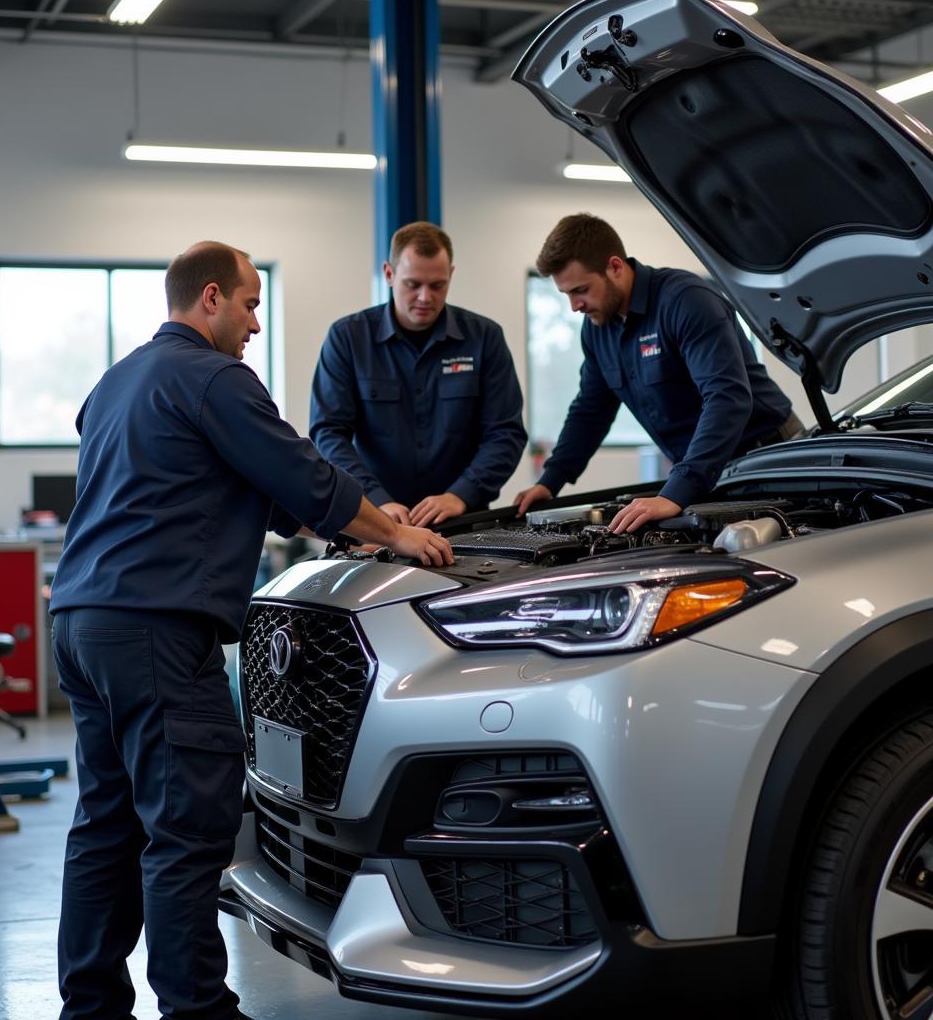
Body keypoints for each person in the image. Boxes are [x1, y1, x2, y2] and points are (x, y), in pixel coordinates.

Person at [48, 241, 453, 1020]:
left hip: (82, 624)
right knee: (188, 830)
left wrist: (359, 523)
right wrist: (395, 536)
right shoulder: (215, 377)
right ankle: (196, 1009)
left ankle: (89, 1007)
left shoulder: (117, 380)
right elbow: (298, 471)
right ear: (209, 298)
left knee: (104, 826)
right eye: (249, 304)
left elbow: (246, 488)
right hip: (155, 634)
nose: (255, 325)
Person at [514, 214, 801, 533]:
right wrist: (550, 481)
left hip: (769, 458)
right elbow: (590, 411)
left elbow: (727, 398)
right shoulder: (597, 330)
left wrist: (678, 490)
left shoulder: (686, 301)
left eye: (580, 290)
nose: (574, 306)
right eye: (566, 294)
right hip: (708, 470)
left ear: (615, 267)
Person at [310, 221, 526, 528]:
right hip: (376, 522)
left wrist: (461, 494)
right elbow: (328, 433)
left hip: (463, 520)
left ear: (451, 275)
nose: (425, 297)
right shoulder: (347, 338)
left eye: (437, 285)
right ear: (389, 274)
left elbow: (506, 434)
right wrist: (374, 499)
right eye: (413, 284)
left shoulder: (485, 338)